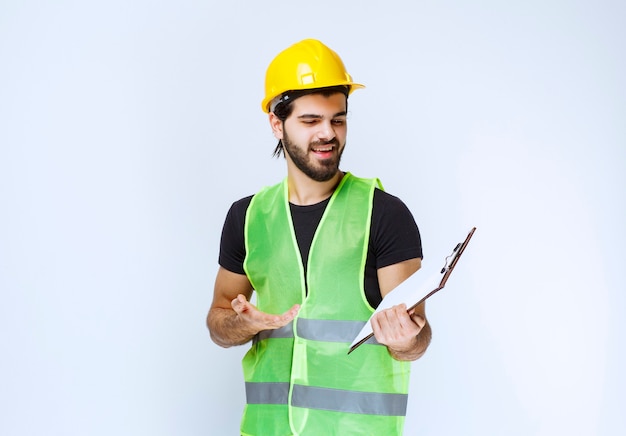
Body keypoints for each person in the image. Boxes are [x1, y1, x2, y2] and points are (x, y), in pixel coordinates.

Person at [207, 38, 432, 436]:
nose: (328, 133)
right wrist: (245, 324)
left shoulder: (384, 214)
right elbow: (218, 321)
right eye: (311, 121)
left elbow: (416, 337)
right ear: (277, 124)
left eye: (338, 119)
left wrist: (405, 338)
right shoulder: (247, 217)